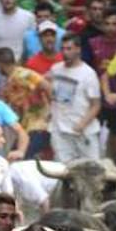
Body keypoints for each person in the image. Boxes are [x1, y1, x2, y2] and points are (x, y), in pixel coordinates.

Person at [47, 33, 102, 162]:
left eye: (69, 49)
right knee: (63, 171)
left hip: (83, 132)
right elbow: (52, 95)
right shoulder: (55, 69)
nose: (65, 53)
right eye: (63, 49)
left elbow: (96, 104)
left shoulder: (88, 74)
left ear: (78, 49)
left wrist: (82, 124)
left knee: (91, 170)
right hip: (60, 130)